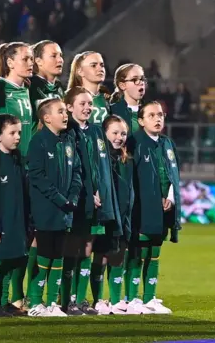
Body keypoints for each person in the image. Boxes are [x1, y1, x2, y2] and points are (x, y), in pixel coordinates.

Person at [62, 87, 118, 316]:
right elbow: (75, 169)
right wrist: (87, 193)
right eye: (82, 104)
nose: (87, 108)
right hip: (79, 200)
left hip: (98, 201)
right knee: (72, 249)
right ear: (69, 107)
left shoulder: (96, 131)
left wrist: (103, 194)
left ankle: (81, 299)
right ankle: (67, 299)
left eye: (89, 104)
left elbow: (100, 167)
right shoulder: (68, 132)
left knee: (87, 248)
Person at [27, 98, 81, 317]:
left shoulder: (68, 141)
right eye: (60, 111)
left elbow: (76, 171)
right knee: (45, 252)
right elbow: (37, 176)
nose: (65, 114)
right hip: (46, 208)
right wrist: (61, 199)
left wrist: (73, 197)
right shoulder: (38, 141)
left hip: (66, 209)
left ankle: (52, 303)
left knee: (58, 254)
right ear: (46, 118)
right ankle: (36, 303)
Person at [126, 101, 179, 315]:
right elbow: (130, 178)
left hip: (164, 210)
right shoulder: (134, 142)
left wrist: (171, 198)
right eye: (152, 115)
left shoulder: (167, 143)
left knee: (155, 252)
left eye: (161, 115)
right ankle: (131, 298)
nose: (158, 119)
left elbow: (174, 175)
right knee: (138, 252)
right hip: (140, 209)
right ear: (140, 120)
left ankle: (149, 298)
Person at [0, 114, 29, 317]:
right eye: (12, 133)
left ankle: (3, 301)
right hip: (0, 220)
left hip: (17, 219)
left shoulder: (18, 159)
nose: (17, 137)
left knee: (12, 259)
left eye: (19, 132)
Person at [101, 115, 146, 315]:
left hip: (124, 216)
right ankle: (95, 300)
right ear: (104, 134)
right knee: (100, 258)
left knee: (119, 255)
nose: (119, 137)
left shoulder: (127, 160)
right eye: (115, 133)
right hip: (108, 216)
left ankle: (116, 300)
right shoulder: (102, 160)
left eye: (123, 133)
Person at [0, 42, 34, 159]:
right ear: (10, 63)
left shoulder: (26, 89)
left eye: (31, 59)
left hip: (26, 163)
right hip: (6, 164)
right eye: (25, 59)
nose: (30, 63)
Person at [29, 40, 65, 134]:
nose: (60, 60)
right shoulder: (29, 85)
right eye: (53, 56)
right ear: (38, 61)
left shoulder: (59, 87)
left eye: (60, 55)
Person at [68, 51, 110, 126]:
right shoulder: (69, 98)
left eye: (102, 65)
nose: (100, 69)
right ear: (80, 71)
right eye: (93, 65)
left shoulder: (108, 99)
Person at [109, 63, 147, 136]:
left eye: (142, 79)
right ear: (122, 85)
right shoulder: (112, 111)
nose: (141, 83)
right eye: (134, 79)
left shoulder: (148, 110)